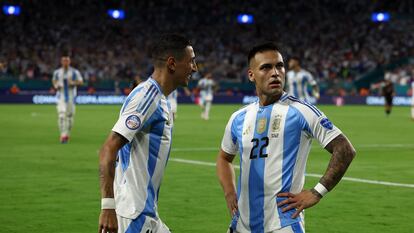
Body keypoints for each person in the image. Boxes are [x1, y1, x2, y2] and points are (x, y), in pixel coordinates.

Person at [216, 42, 356, 233]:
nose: (275, 73)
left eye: (279, 66)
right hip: (242, 223)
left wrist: (317, 192)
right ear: (251, 75)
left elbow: (345, 149)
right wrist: (229, 192)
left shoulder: (302, 111)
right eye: (266, 67)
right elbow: (224, 158)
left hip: (282, 224)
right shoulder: (239, 118)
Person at [98, 34, 198, 233]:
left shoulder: (158, 98)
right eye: (191, 62)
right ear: (172, 63)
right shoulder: (148, 96)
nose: (194, 68)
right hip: (134, 214)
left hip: (145, 211)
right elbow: (108, 148)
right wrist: (108, 206)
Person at [52, 54, 83, 143]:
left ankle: (67, 134)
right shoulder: (57, 72)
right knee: (61, 115)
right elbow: (54, 81)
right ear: (61, 62)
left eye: (67, 60)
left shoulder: (74, 72)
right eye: (64, 60)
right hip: (60, 96)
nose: (65, 62)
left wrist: (73, 82)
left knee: (69, 117)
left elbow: (81, 82)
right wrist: (56, 85)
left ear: (69, 62)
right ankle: (63, 135)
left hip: (71, 97)